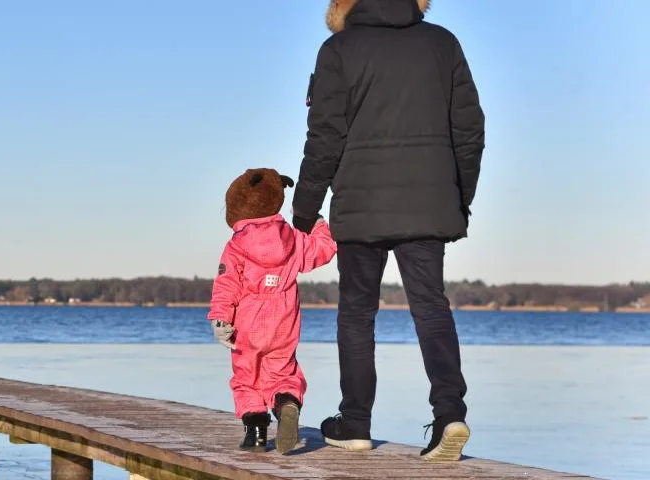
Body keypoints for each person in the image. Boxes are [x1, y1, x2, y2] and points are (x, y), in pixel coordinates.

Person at [291, 0, 485, 462]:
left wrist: (305, 208)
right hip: (429, 202)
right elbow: (470, 129)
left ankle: (355, 422)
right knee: (431, 308)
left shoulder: (338, 49)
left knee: (357, 313)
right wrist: (459, 196)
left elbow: (325, 136)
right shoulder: (443, 44)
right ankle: (449, 415)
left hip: (361, 205)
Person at [208, 168, 337, 453]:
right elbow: (324, 249)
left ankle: (256, 434)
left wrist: (220, 317)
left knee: (246, 374)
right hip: (284, 317)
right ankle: (287, 402)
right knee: (282, 370)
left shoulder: (236, 245)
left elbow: (227, 282)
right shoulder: (292, 238)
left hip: (249, 317)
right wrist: (318, 223)